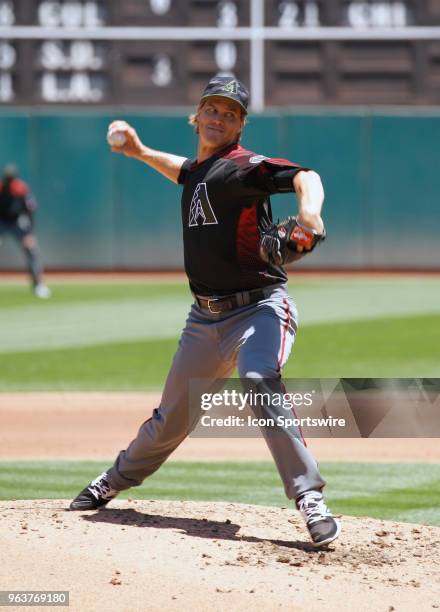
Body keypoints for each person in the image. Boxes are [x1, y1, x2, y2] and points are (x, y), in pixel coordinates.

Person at [70, 75, 341, 547]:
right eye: (212, 109)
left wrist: (311, 213)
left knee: (259, 381)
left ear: (240, 125)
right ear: (196, 117)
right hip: (204, 319)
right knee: (171, 418)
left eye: (230, 113)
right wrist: (138, 151)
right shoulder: (201, 170)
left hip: (260, 309)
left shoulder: (243, 166)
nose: (219, 117)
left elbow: (306, 176)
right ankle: (113, 480)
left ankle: (310, 498)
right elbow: (184, 170)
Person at [0, 164, 51, 299]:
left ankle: (38, 285)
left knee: (32, 250)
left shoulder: (21, 188)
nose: (9, 181)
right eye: (7, 178)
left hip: (18, 221)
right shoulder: (1, 187)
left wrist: (29, 233)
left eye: (11, 178)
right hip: (2, 221)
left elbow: (30, 210)